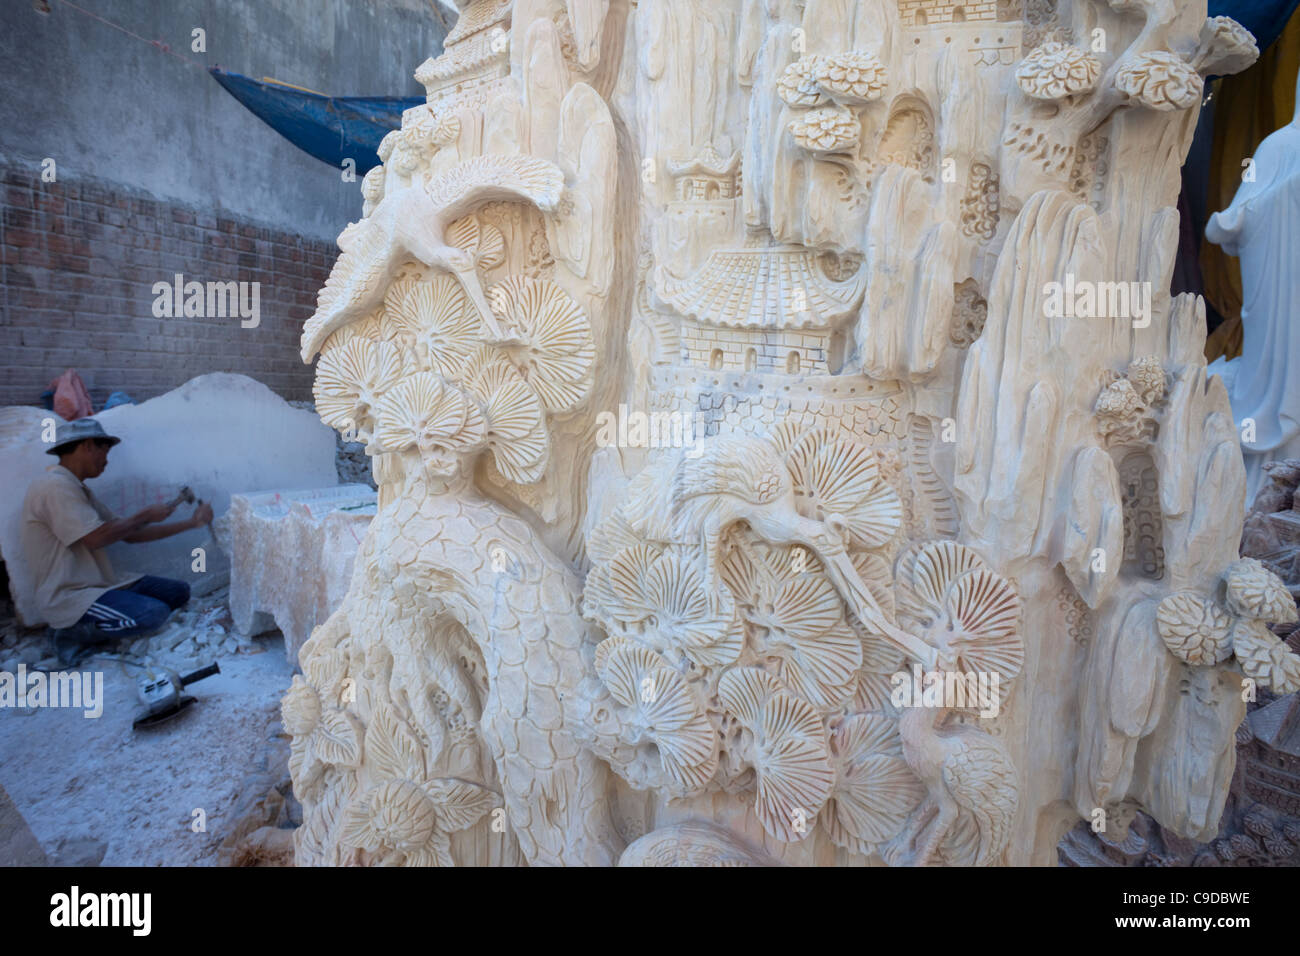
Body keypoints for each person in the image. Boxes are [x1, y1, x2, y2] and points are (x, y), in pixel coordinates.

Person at [19, 418, 214, 665]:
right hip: (70, 595)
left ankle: (103, 618)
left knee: (178, 592)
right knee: (154, 613)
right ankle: (68, 632)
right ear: (88, 446)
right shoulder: (53, 487)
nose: (107, 460)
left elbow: (129, 535)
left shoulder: (78, 490)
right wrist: (145, 515)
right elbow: (95, 538)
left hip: (99, 585)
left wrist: (192, 523)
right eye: (105, 450)